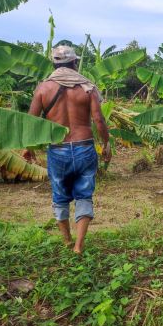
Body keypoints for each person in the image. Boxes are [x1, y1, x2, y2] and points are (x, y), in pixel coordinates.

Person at [24, 45, 112, 254]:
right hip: (84, 147)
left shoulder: (43, 88)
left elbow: (31, 121)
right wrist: (106, 143)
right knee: (84, 195)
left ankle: (66, 241)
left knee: (60, 196)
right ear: (73, 63)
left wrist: (28, 147)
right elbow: (98, 119)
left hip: (58, 149)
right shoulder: (87, 87)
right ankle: (79, 246)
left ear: (54, 63)